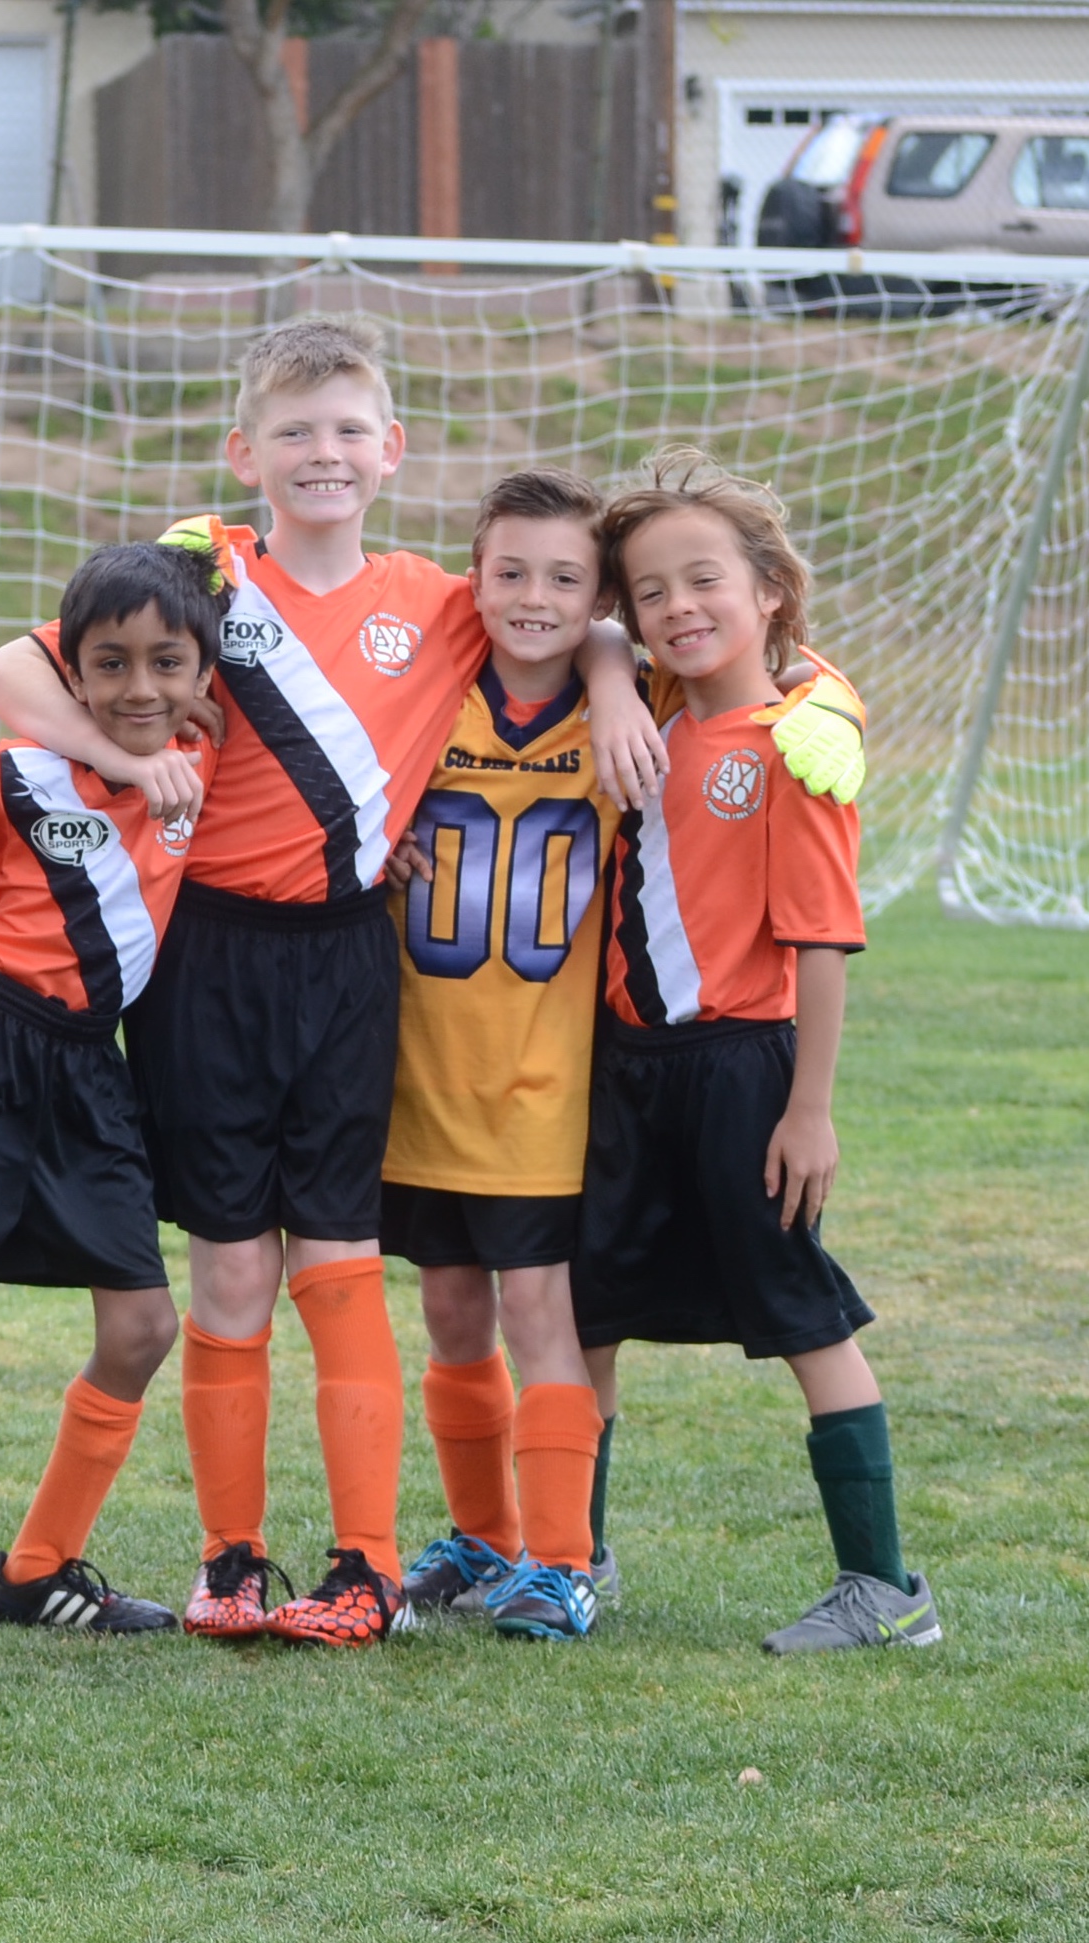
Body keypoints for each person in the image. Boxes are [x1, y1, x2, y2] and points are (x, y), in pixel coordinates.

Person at [0, 318, 665, 1646]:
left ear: (389, 450)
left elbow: (571, 615)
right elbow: (2, 670)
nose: (323, 452)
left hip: (350, 958)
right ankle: (229, 1558)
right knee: (229, 1272)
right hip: (204, 959)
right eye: (293, 430)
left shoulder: (439, 599)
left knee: (339, 1262)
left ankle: (364, 1566)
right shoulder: (202, 579)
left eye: (348, 429)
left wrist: (614, 676)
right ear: (245, 452)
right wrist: (119, 759)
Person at [579, 447, 937, 1656]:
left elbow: (821, 941)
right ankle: (574, 1557)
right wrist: (611, 672)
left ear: (769, 590)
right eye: (651, 590)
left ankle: (885, 1587)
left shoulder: (797, 741)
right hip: (626, 1068)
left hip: (743, 1069)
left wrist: (808, 1108)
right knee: (585, 1309)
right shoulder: (647, 706)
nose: (678, 607)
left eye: (704, 581)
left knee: (801, 1312)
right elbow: (583, 627)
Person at [0, 539, 226, 1636]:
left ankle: (36, 1568)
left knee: (142, 1324)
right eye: (109, 663)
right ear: (69, 670)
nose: (140, 687)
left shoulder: (206, 757)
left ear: (203, 673)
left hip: (89, 1060)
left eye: (166, 663)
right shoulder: (12, 775)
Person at [376, 469, 625, 1642]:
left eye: (565, 578)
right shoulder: (423, 693)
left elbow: (752, 659)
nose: (534, 596)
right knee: (449, 1306)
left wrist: (614, 670)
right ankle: (485, 1535)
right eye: (510, 570)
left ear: (599, 597)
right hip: (421, 1069)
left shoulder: (627, 699)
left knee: (537, 1308)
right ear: (469, 577)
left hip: (541, 1077)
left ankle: (565, 1559)